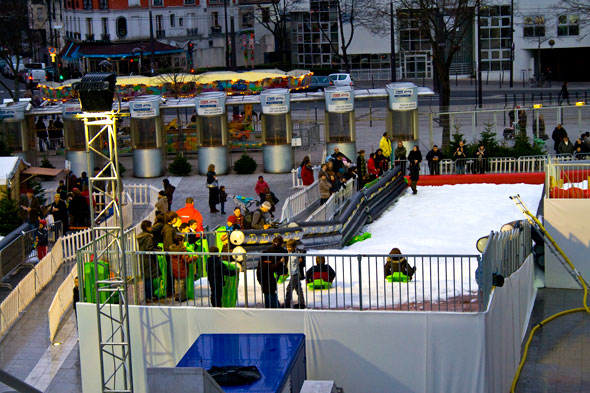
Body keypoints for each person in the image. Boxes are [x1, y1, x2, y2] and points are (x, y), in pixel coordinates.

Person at [257, 236, 287, 308]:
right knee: (272, 294)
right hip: (271, 278)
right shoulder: (282, 251)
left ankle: (269, 307)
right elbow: (271, 268)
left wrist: (260, 281)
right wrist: (280, 262)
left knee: (267, 295)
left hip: (264, 280)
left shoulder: (263, 260)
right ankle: (276, 307)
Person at [137, 220, 159, 300]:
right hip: (149, 259)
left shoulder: (140, 236)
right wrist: (157, 251)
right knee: (149, 278)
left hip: (143, 259)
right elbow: (149, 248)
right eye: (151, 226)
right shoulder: (148, 237)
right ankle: (149, 295)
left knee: (146, 278)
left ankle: (148, 295)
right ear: (147, 227)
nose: (152, 227)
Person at [284, 240, 306, 309]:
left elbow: (303, 252)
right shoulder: (289, 253)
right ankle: (301, 303)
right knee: (298, 289)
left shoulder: (297, 253)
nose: (288, 248)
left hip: (295, 274)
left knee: (289, 289)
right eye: (287, 247)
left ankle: (287, 303)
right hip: (292, 273)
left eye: (290, 247)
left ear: (294, 247)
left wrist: (301, 259)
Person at [170, 235, 190, 302]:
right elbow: (186, 259)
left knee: (176, 282)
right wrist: (194, 257)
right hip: (182, 268)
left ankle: (177, 296)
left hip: (174, 268)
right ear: (180, 242)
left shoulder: (172, 250)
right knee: (182, 284)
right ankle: (182, 297)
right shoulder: (183, 250)